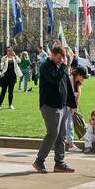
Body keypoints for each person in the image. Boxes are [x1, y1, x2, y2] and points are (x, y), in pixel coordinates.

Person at [32, 42, 75, 174]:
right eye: (59, 57)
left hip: (62, 106)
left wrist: (72, 104)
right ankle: (39, 161)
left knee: (61, 134)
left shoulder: (60, 68)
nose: (61, 60)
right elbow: (55, 80)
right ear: (52, 55)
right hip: (49, 105)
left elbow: (66, 86)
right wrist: (63, 67)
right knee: (53, 133)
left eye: (63, 58)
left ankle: (59, 163)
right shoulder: (46, 66)